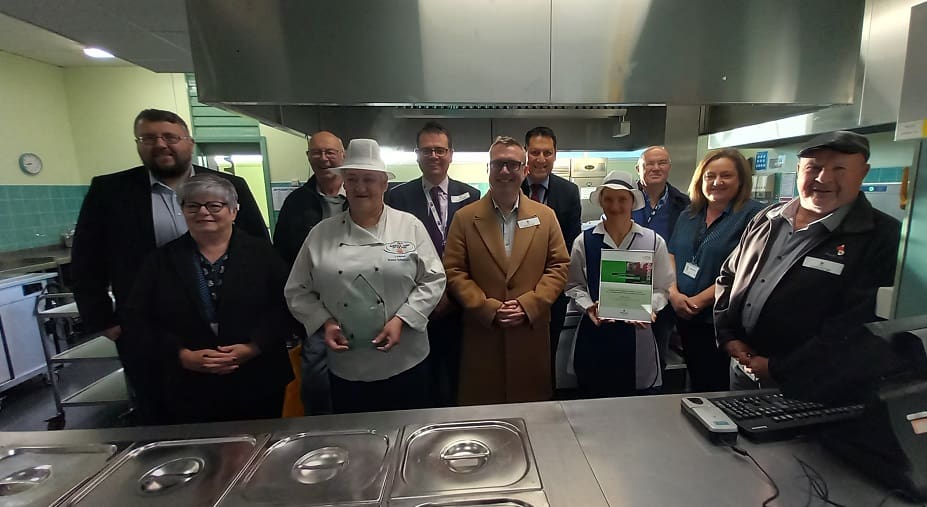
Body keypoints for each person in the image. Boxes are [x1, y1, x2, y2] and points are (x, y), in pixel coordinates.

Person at [71, 108, 268, 424]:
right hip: (151, 333)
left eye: (170, 137)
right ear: (138, 144)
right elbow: (85, 261)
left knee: (242, 417)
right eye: (149, 138)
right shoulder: (110, 192)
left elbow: (260, 252)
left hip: (231, 333)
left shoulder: (228, 185)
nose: (161, 145)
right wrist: (106, 322)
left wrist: (256, 340)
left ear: (189, 142)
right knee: (164, 419)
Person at [715, 131, 901, 390]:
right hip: (742, 367)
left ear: (863, 172)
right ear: (799, 170)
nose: (823, 178)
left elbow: (857, 325)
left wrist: (778, 368)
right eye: (814, 167)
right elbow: (729, 275)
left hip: (809, 385)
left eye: (839, 168)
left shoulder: (880, 236)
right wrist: (727, 336)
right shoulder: (767, 218)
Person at [285, 139, 446, 414]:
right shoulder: (321, 234)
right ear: (344, 184)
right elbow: (297, 289)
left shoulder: (409, 226)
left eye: (369, 179)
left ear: (384, 184)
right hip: (347, 363)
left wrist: (403, 319)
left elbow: (433, 278)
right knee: (356, 433)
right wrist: (324, 322)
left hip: (407, 359)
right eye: (352, 179)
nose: (360, 187)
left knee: (408, 428)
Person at [123, 174, 293, 423]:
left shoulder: (263, 254)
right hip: (188, 382)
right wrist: (181, 355)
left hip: (257, 375)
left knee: (259, 439)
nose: (203, 212)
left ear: (233, 211)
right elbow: (138, 319)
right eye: (193, 206)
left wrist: (254, 346)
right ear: (183, 211)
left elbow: (286, 305)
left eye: (214, 205)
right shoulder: (161, 261)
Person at [444, 136, 570, 405]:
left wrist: (529, 304)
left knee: (532, 413)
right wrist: (486, 307)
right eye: (498, 164)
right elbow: (454, 270)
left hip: (529, 332)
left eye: (513, 165)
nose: (505, 171)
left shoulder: (545, 217)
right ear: (488, 169)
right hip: (483, 334)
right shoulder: (465, 218)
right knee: (482, 413)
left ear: (525, 171)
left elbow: (559, 265)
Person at [385, 121, 480, 406]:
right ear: (417, 154)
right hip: (416, 306)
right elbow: (396, 252)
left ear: (451, 154)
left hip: (460, 304)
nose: (434, 156)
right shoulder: (397, 197)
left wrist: (453, 293)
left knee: (459, 377)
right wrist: (428, 298)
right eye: (427, 150)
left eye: (440, 150)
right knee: (422, 382)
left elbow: (476, 252)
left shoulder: (472, 196)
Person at [566, 171, 674, 397]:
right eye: (609, 199)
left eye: (622, 199)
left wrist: (649, 307)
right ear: (601, 201)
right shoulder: (584, 241)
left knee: (636, 404)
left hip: (638, 335)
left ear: (633, 201)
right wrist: (588, 306)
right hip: (595, 333)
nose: (615, 207)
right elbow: (574, 286)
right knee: (593, 399)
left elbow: (662, 288)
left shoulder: (653, 241)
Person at [667, 149, 763, 392]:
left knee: (717, 385)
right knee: (697, 379)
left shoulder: (755, 217)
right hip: (684, 315)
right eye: (710, 176)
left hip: (721, 323)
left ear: (741, 180)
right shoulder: (689, 214)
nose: (717, 182)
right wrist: (673, 293)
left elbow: (746, 271)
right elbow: (671, 253)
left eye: (726, 175)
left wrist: (699, 301)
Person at [273, 130, 347, 416]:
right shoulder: (296, 203)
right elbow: (282, 258)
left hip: (365, 303)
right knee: (316, 383)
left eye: (330, 152)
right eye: (316, 152)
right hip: (317, 309)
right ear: (308, 157)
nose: (324, 158)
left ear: (343, 155)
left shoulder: (360, 196)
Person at [520, 126, 581, 391]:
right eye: (535, 152)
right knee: (518, 354)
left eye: (547, 153)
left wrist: (548, 284)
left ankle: (546, 400)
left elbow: (569, 245)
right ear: (526, 153)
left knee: (548, 352)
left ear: (555, 155)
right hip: (516, 290)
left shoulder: (568, 192)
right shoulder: (511, 185)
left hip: (553, 292)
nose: (541, 159)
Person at [632, 146, 691, 377]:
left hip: (665, 287)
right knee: (626, 350)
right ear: (638, 168)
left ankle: (654, 389)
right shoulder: (625, 198)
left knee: (657, 350)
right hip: (628, 283)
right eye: (649, 163)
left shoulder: (684, 204)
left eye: (662, 163)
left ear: (669, 167)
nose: (656, 168)